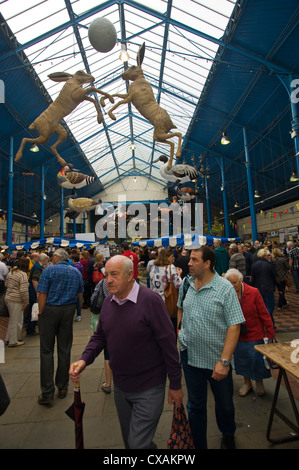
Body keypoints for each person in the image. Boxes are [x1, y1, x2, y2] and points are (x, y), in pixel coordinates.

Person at [69, 255, 183, 449]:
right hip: (121, 389)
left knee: (138, 444)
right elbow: (100, 336)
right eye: (107, 275)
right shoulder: (109, 302)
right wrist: (84, 360)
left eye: (115, 275)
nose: (109, 280)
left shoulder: (150, 301)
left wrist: (175, 384)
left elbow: (169, 345)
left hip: (149, 386)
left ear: (130, 275)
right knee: (131, 442)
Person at [177, 246, 244, 449]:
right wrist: (180, 331)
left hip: (217, 360)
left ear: (207, 264)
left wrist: (224, 361)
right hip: (190, 357)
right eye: (190, 259)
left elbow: (234, 325)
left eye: (195, 260)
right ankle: (198, 444)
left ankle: (228, 433)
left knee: (224, 405)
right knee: (195, 406)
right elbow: (180, 307)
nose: (189, 263)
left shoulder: (224, 288)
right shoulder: (186, 284)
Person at [36, 248, 84, 405]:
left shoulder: (49, 271)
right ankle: (62, 387)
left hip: (50, 309)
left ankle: (47, 392)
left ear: (56, 257)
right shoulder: (76, 272)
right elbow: (79, 294)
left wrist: (41, 313)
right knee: (64, 349)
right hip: (67, 310)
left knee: (46, 350)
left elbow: (42, 293)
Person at [224, 269, 275, 398]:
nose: (232, 286)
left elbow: (264, 313)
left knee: (256, 360)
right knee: (242, 360)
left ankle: (259, 382)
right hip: (238, 334)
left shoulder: (253, 292)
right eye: (229, 283)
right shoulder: (227, 294)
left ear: (240, 281)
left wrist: (270, 333)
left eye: (234, 283)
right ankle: (247, 383)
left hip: (254, 332)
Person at [149, 248, 182, 338]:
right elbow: (179, 285)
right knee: (171, 330)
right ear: (167, 257)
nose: (173, 258)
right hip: (168, 303)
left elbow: (151, 287)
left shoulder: (153, 268)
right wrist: (179, 274)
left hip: (156, 304)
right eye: (172, 256)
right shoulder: (171, 267)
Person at [90, 278, 113, 394]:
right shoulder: (129, 284)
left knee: (108, 352)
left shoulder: (103, 282)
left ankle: (108, 383)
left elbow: (93, 298)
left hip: (106, 319)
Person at [250, 248, 280, 327]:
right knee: (270, 307)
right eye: (268, 255)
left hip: (258, 288)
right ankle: (267, 321)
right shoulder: (270, 265)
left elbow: (252, 278)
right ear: (265, 256)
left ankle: (270, 324)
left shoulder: (254, 264)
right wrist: (280, 288)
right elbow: (276, 277)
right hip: (268, 288)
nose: (269, 256)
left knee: (263, 306)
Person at [5, 258, 29, 347]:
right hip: (16, 299)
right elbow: (23, 290)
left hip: (8, 298)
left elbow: (6, 284)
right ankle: (13, 341)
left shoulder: (11, 273)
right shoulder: (23, 275)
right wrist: (26, 302)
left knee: (12, 319)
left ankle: (9, 338)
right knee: (17, 320)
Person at [27, 252, 49, 335]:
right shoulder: (38, 268)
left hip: (32, 290)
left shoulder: (37, 266)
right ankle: (31, 329)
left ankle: (31, 328)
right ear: (44, 260)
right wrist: (37, 292)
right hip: (33, 291)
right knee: (33, 309)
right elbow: (34, 280)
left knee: (32, 309)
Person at [71, 253, 84, 321]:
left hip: (75, 284)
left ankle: (76, 315)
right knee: (78, 301)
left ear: (73, 260)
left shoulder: (74, 267)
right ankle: (79, 314)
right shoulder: (80, 265)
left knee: (75, 301)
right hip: (80, 283)